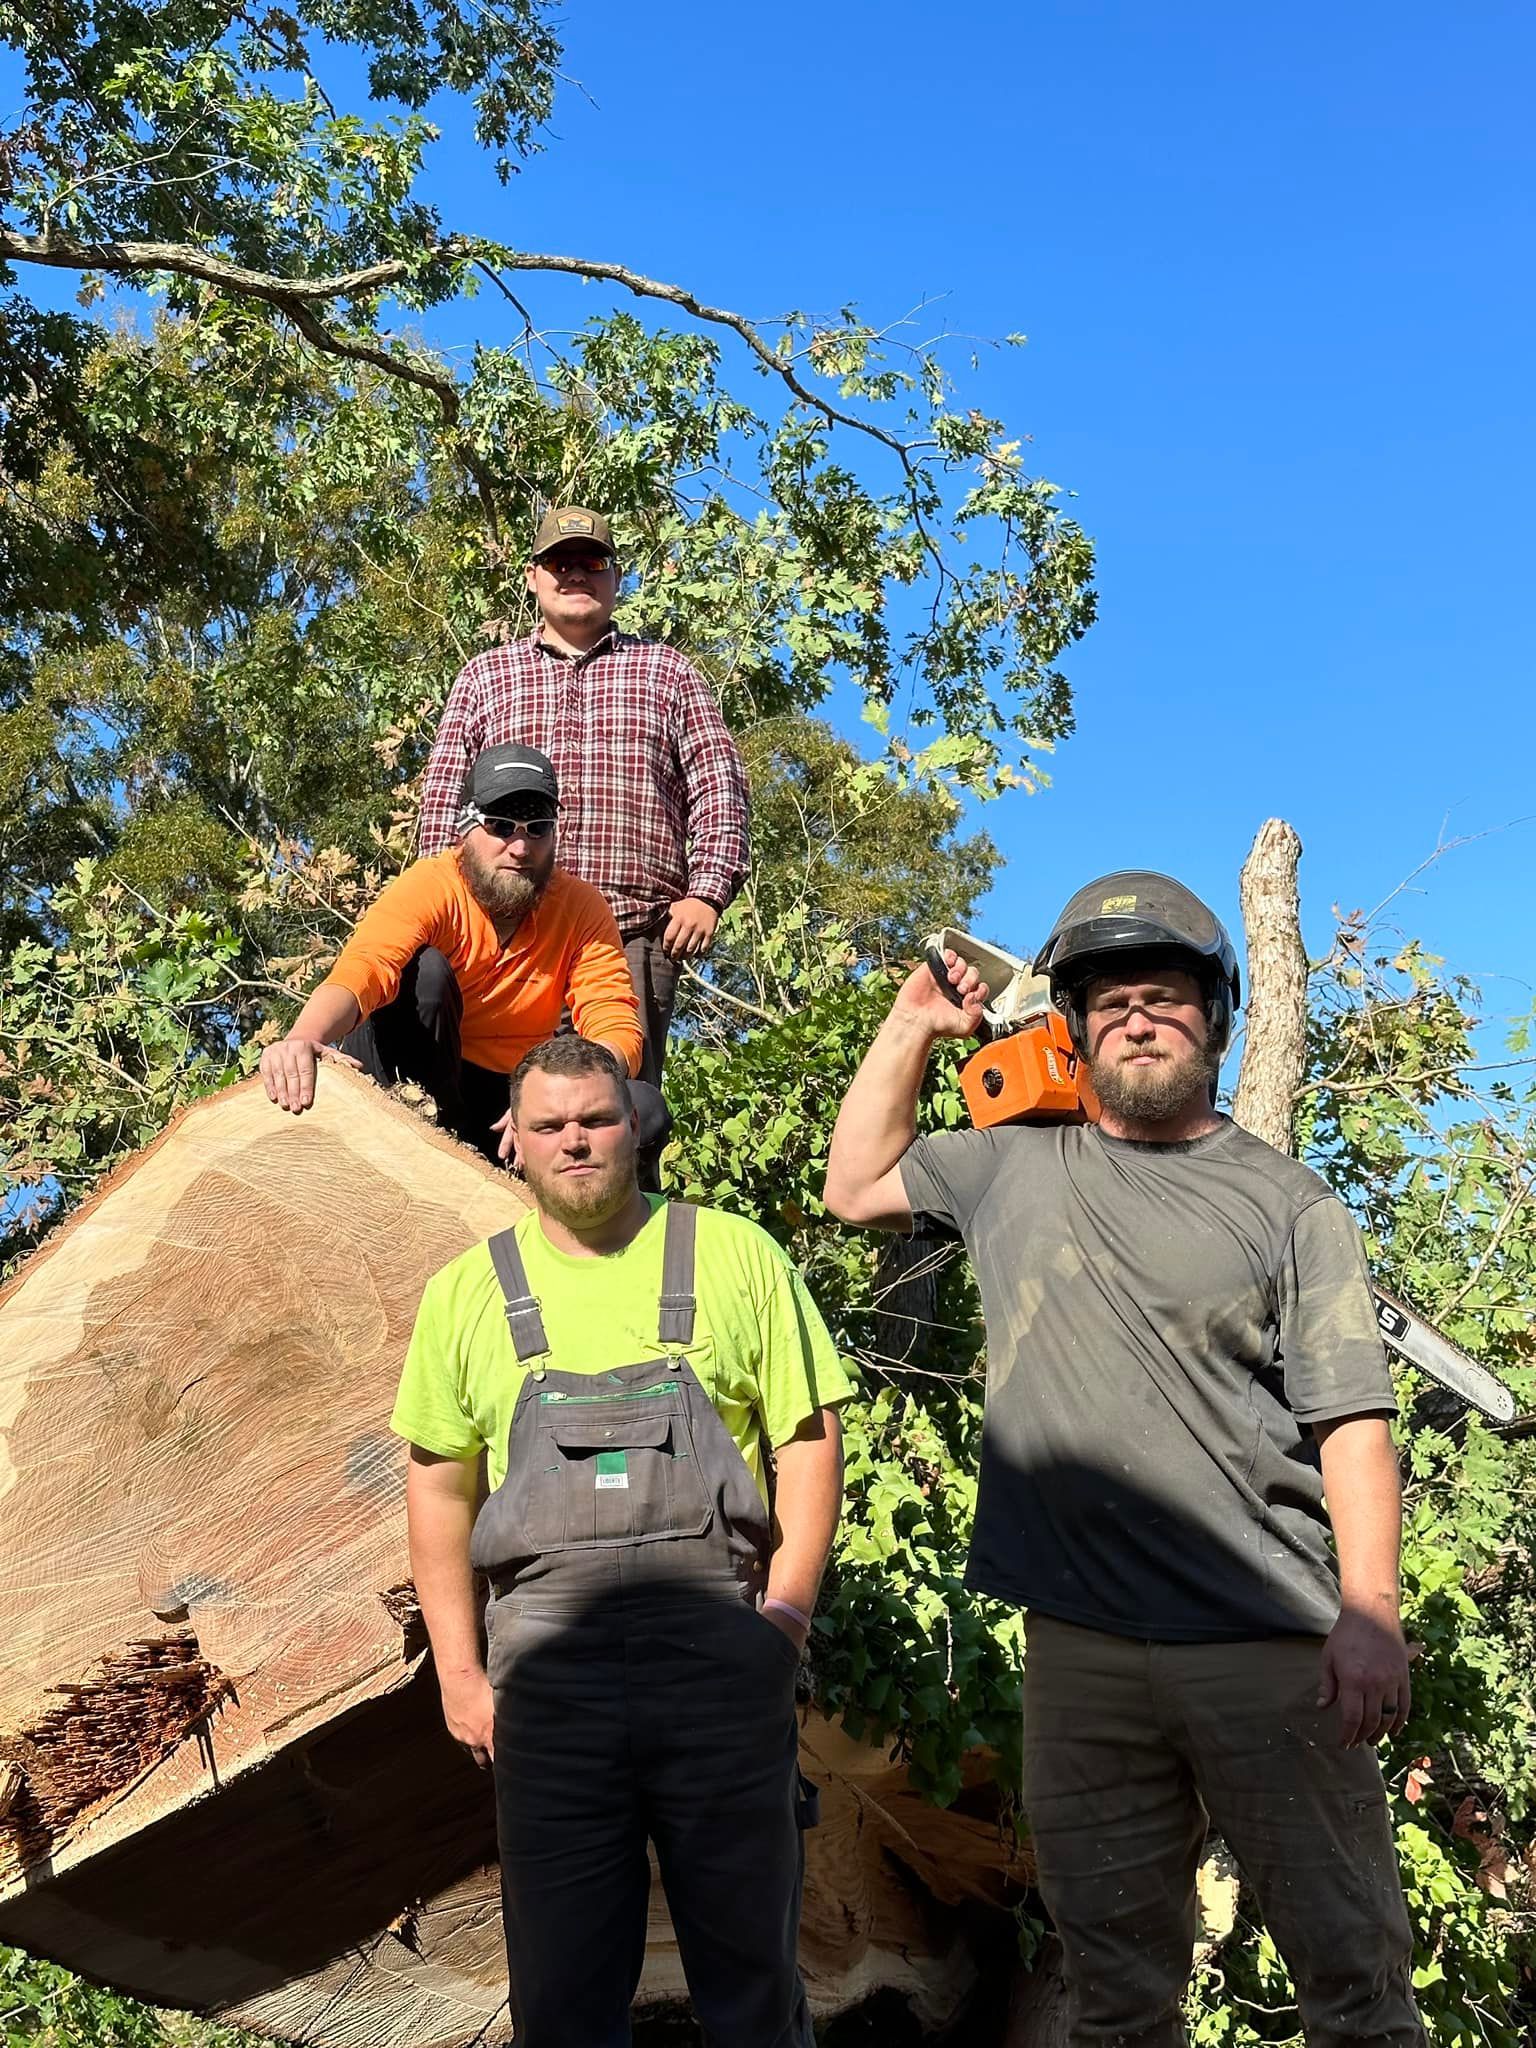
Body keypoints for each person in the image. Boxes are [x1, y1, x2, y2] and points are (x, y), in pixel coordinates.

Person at [823, 870, 1424, 2048]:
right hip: (1082, 1652)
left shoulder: (1290, 1204)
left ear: (1216, 1015)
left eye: (1165, 995)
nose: (1138, 1017)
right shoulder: (1008, 1165)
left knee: (1355, 1980)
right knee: (1115, 1995)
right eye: (1110, 1000)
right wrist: (909, 1024)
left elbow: (1352, 1416)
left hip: (1269, 1646)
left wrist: (1372, 1607)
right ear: (1074, 1023)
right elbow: (853, 1184)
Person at [392, 1035, 853, 2047]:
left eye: (596, 1119)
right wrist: (459, 1672)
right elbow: (437, 1490)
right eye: (550, 1125)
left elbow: (810, 1442)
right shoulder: (468, 1291)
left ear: (632, 1125)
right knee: (562, 2006)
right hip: (548, 1693)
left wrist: (782, 1619)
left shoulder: (735, 1253)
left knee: (755, 1991)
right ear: (515, 1141)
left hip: (721, 1670)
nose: (576, 1142)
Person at [417, 506, 750, 1091]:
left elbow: (719, 784)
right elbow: (445, 802)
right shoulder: (484, 677)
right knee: (478, 1125)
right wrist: (444, 915)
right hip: (502, 946)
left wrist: (706, 895)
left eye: (591, 562)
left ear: (615, 578)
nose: (575, 574)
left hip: (628, 942)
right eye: (559, 562)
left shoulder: (667, 671)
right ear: (533, 576)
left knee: (615, 1127)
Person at [258, 743, 661, 1164]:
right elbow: (366, 968)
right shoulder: (433, 885)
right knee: (426, 974)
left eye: (536, 828)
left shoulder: (581, 908)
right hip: (415, 1075)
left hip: (507, 1105)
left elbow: (614, 1025)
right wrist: (304, 1038)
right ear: (466, 828)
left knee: (643, 1111)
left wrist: (556, 1099)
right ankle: (411, 1150)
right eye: (502, 826)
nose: (520, 848)